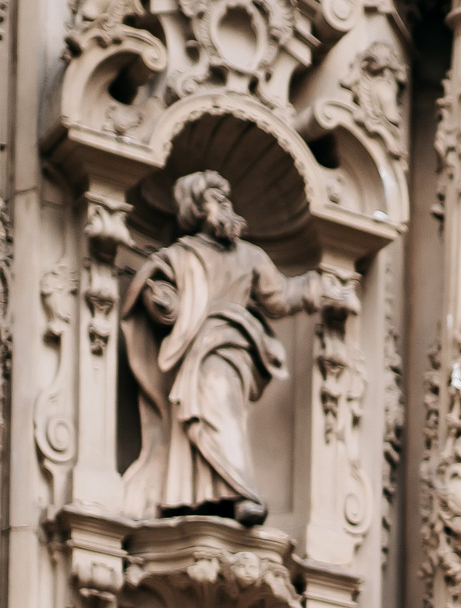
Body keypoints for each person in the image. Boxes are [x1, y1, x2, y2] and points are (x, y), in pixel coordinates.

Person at [120, 169, 350, 524]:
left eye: (226, 198)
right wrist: (161, 301)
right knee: (193, 414)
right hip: (192, 349)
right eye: (215, 198)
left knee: (218, 406)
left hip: (231, 346)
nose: (225, 204)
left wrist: (320, 289)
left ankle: (241, 490)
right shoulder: (182, 255)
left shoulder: (251, 257)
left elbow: (281, 298)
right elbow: (164, 300)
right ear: (196, 208)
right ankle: (192, 495)